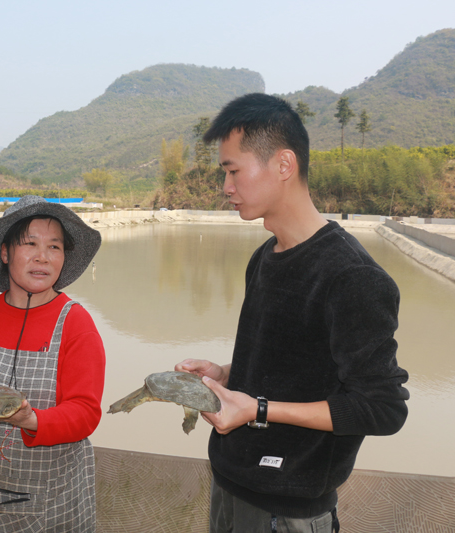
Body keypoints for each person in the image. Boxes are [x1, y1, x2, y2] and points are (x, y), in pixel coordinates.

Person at [175, 94, 409, 533]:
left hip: (287, 511)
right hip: (229, 483)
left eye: (232, 171)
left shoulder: (352, 277)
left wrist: (258, 410)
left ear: (284, 165)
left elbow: (382, 408)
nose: (225, 187)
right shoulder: (265, 257)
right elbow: (295, 362)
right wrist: (227, 373)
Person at [0, 195, 105, 532]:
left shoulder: (76, 323)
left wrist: (32, 419)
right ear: (4, 252)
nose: (43, 256)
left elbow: (86, 412)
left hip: (50, 504)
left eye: (54, 247)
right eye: (30, 244)